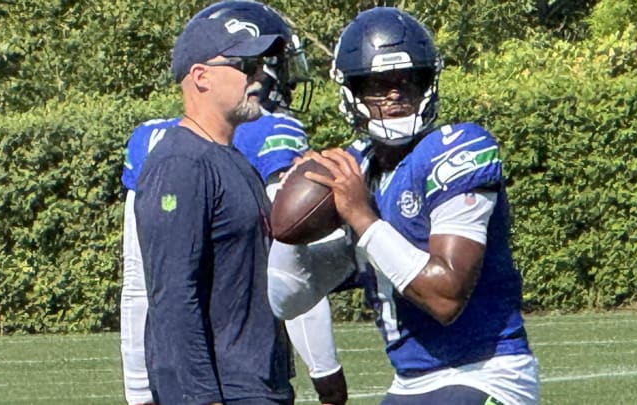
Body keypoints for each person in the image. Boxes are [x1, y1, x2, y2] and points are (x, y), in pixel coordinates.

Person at [271, 7, 540, 405]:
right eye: (378, 84)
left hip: (485, 373)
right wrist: (290, 222)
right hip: (410, 382)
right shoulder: (355, 167)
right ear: (352, 92)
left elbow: (445, 297)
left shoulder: (458, 149)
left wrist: (361, 216)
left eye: (407, 81)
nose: (395, 95)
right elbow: (285, 298)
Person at [121, 2, 347, 404]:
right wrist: (202, 397)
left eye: (261, 65)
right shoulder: (180, 163)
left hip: (254, 382)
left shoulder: (230, 158)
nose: (260, 76)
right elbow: (173, 295)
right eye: (247, 66)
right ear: (201, 76)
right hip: (224, 389)